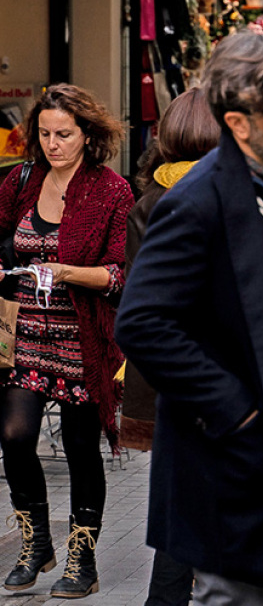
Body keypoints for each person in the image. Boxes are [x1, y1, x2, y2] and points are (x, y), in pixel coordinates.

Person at [115, 31, 263, 605]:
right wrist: (234, 411)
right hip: (228, 440)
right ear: (241, 122)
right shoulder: (196, 202)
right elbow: (143, 322)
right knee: (232, 595)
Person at [0, 84, 134, 599]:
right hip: (26, 335)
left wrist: (70, 271)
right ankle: (36, 542)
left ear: (87, 135)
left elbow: (120, 274)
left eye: (64, 134)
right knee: (13, 433)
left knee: (81, 449)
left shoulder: (110, 191)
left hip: (83, 340)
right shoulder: (22, 180)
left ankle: (84, 555)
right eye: (44, 133)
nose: (53, 143)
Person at [123, 88, 219, 606]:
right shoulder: (236, 194)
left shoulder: (148, 204)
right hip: (223, 375)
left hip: (167, 374)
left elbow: (139, 302)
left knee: (180, 503)